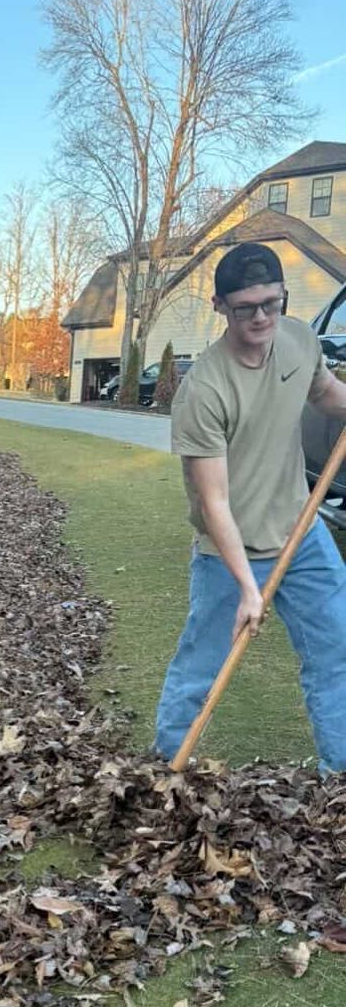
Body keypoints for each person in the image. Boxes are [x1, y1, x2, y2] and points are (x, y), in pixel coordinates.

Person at [155, 241, 346, 770]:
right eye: (245, 308)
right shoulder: (204, 390)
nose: (261, 317)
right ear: (220, 306)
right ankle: (164, 773)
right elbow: (213, 501)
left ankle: (340, 783)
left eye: (271, 303)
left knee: (337, 653)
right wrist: (246, 587)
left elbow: (325, 392)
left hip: (302, 533)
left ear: (283, 297)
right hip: (228, 552)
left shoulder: (300, 340)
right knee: (203, 670)